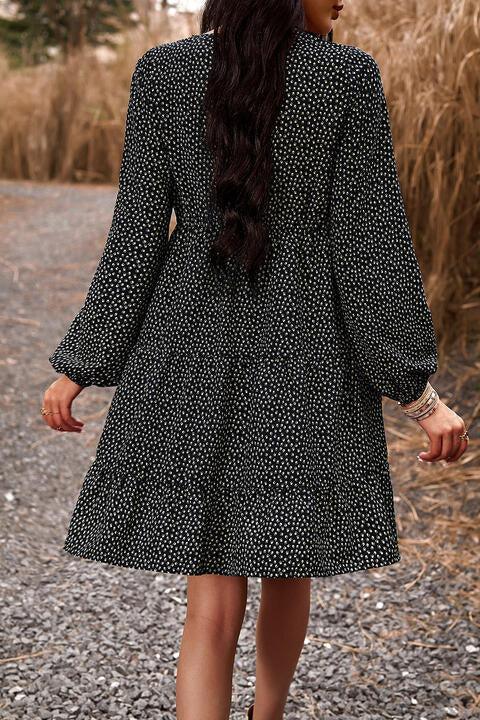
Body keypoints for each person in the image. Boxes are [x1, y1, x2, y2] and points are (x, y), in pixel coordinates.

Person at [41, 1, 469, 718]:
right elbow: (369, 250)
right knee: (287, 560)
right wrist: (419, 394)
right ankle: (265, 715)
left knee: (210, 596)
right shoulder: (346, 79)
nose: (344, 2)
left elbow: (136, 237)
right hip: (307, 352)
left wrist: (82, 362)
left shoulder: (163, 73)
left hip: (188, 349)